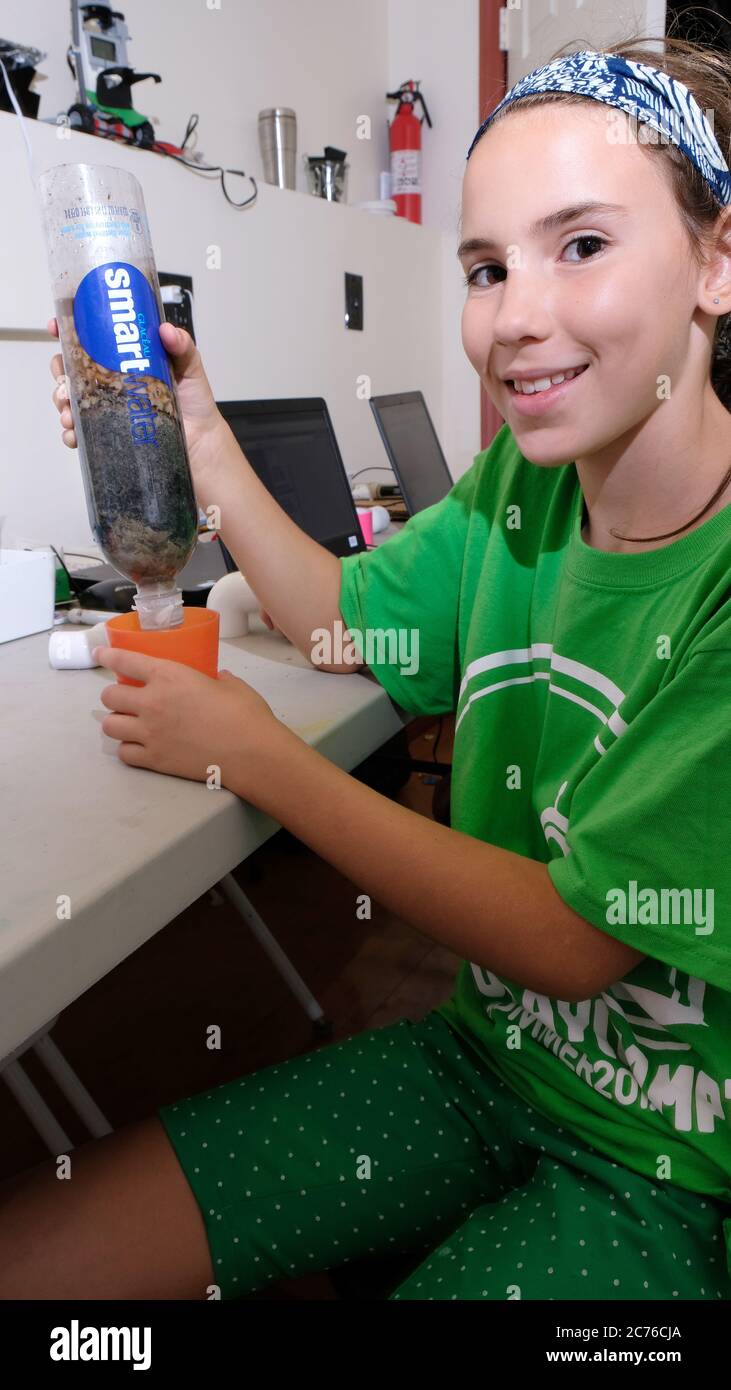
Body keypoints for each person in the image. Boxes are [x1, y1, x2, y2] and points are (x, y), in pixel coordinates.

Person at [1, 34, 729, 1302]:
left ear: (715, 259)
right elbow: (346, 626)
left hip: (660, 1167)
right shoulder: (521, 489)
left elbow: (570, 940)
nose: (516, 316)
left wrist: (257, 756)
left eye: (582, 245)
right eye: (484, 267)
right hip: (481, 1060)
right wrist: (201, 435)